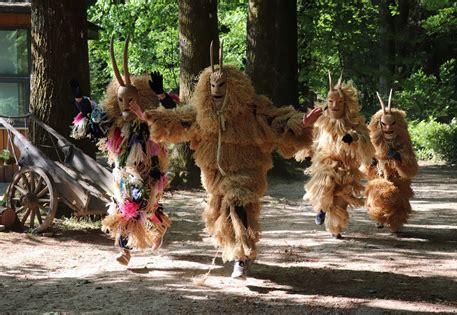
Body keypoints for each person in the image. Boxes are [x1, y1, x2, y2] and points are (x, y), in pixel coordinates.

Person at [138, 41, 319, 278]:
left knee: (238, 202)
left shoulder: (252, 110)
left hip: (247, 168)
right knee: (220, 213)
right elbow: (179, 120)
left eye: (221, 85)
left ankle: (242, 255)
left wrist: (302, 122)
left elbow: (277, 122)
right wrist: (150, 117)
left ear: (233, 87)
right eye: (212, 85)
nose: (216, 89)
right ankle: (237, 253)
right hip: (214, 173)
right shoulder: (201, 113)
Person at [69, 36, 175, 265]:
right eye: (120, 100)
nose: (125, 104)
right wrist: (79, 99)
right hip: (123, 173)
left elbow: (172, 116)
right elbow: (92, 117)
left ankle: (159, 227)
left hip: (150, 171)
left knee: (148, 206)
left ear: (139, 99)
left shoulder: (151, 119)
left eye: (130, 99)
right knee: (125, 207)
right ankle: (124, 250)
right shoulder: (113, 121)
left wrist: (161, 95)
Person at [297, 72, 374, 239]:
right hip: (325, 161)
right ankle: (321, 209)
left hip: (347, 167)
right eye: (331, 101)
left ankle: (335, 229)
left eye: (339, 102)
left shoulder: (354, 121)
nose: (334, 105)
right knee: (323, 185)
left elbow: (365, 138)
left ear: (345, 103)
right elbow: (309, 134)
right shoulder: (321, 119)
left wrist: (353, 137)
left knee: (341, 200)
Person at [365, 90, 418, 233]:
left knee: (399, 199)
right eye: (384, 125)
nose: (388, 128)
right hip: (380, 176)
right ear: (379, 125)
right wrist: (373, 162)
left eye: (392, 124)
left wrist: (399, 159)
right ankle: (380, 217)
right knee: (378, 195)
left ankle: (396, 222)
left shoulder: (403, 141)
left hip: (398, 177)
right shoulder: (374, 140)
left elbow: (410, 164)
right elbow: (366, 158)